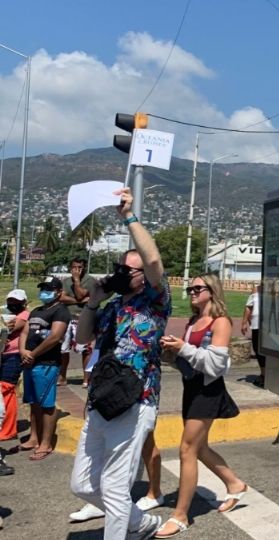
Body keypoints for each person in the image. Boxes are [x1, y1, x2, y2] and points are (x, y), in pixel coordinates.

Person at [70, 186, 170, 540]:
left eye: (132, 269)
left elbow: (154, 261)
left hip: (135, 399)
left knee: (114, 487)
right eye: (121, 268)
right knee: (82, 483)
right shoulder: (112, 307)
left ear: (143, 276)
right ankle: (141, 524)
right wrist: (93, 302)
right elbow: (82, 339)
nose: (125, 274)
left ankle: (125, 531)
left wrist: (128, 216)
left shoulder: (155, 301)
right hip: (101, 399)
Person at [155, 273, 245, 538]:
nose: (191, 291)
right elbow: (191, 360)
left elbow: (215, 367)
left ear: (212, 291)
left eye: (197, 288)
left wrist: (182, 348)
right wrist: (171, 353)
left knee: (187, 450)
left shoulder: (221, 322)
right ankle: (235, 484)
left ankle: (181, 515)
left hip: (208, 391)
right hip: (191, 388)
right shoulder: (195, 321)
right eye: (190, 287)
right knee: (200, 447)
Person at [19, 275, 70, 460]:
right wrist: (23, 350)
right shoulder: (37, 311)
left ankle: (46, 443)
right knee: (33, 402)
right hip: (29, 362)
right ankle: (34, 437)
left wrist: (33, 354)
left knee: (47, 405)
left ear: (58, 292)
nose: (44, 292)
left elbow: (55, 337)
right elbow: (25, 331)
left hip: (47, 363)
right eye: (43, 288)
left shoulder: (61, 311)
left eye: (48, 289)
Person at [59, 258, 97, 387]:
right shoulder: (66, 281)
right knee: (63, 349)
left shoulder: (90, 280)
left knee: (86, 349)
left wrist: (76, 281)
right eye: (74, 267)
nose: (76, 270)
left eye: (79, 267)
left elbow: (81, 294)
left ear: (84, 268)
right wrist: (79, 301)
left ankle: (87, 379)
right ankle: (62, 376)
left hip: (84, 318)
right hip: (67, 317)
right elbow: (62, 297)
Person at [0, 289, 29, 442]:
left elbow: (9, 328)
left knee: (7, 389)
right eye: (10, 300)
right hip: (2, 354)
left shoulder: (24, 315)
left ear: (23, 302)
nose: (12, 304)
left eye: (16, 301)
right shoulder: (4, 314)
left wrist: (3, 324)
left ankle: (8, 429)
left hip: (13, 355)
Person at [241, 283, 265, 387]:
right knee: (257, 348)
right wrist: (244, 321)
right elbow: (249, 306)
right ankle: (263, 374)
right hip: (256, 324)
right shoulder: (256, 289)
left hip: (271, 326)